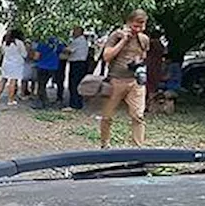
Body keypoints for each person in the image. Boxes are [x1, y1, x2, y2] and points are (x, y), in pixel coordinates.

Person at [99, 9, 151, 148]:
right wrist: (123, 41)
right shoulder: (116, 36)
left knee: (138, 116)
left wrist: (137, 63)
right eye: (135, 25)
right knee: (107, 116)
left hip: (135, 82)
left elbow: (143, 56)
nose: (138, 29)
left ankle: (137, 148)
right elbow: (107, 56)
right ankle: (105, 144)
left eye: (142, 26)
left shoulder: (144, 39)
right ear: (128, 23)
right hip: (116, 81)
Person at [31, 37, 64, 109]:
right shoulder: (57, 43)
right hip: (53, 66)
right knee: (46, 84)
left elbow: (36, 56)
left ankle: (43, 103)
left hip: (42, 66)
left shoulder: (42, 43)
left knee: (41, 85)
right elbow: (64, 51)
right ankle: (49, 101)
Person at [0, 30, 26, 105]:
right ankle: (10, 100)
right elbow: (24, 54)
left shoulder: (5, 42)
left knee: (3, 80)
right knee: (13, 82)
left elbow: (3, 53)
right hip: (16, 64)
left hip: (6, 63)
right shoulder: (19, 43)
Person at [65, 26, 90, 110]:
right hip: (82, 64)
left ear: (79, 32)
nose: (73, 33)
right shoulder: (83, 40)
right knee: (78, 84)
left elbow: (68, 50)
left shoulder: (77, 41)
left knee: (73, 84)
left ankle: (74, 104)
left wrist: (61, 48)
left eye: (75, 31)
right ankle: (78, 103)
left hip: (77, 64)